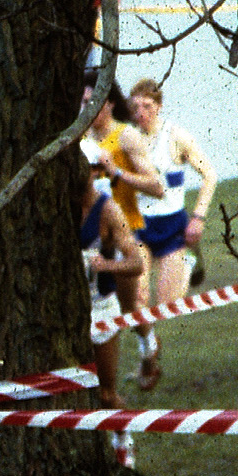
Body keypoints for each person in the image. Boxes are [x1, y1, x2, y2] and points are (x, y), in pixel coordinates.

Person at [125, 77, 220, 389]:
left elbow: (209, 175)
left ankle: (189, 262)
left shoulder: (176, 137)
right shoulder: (125, 138)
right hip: (138, 228)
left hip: (173, 228)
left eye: (147, 106)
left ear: (159, 107)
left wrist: (199, 217)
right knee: (137, 297)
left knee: (166, 305)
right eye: (135, 106)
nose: (141, 112)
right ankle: (148, 356)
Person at [83, 82, 166, 390]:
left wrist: (116, 172)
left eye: (93, 102)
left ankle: (149, 349)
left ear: (109, 104)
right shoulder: (81, 140)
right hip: (92, 238)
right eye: (83, 103)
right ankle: (102, 384)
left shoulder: (126, 136)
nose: (87, 110)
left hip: (125, 232)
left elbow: (157, 187)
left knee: (132, 309)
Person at [79, 145, 143, 418]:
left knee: (105, 394)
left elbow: (137, 262)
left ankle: (123, 445)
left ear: (95, 171)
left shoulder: (108, 210)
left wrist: (107, 265)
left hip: (100, 308)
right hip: (69, 314)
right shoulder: (57, 207)